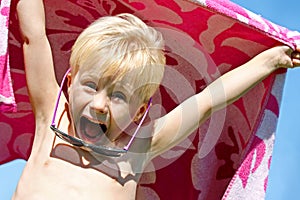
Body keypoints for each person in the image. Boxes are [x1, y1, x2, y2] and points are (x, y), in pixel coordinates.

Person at [14, 0, 300, 199]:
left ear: (139, 113)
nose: (99, 105)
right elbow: (33, 36)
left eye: (117, 96)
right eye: (90, 86)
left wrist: (273, 59)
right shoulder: (49, 117)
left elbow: (207, 101)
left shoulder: (136, 152)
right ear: (71, 80)